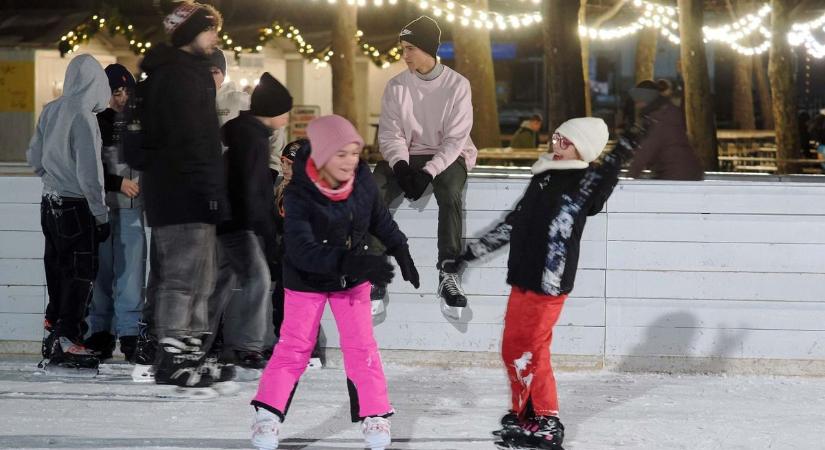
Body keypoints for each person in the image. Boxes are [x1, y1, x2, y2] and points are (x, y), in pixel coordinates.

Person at [459, 117, 647, 450]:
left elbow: (610, 168)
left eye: (565, 141)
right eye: (556, 138)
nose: (556, 146)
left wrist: (630, 140)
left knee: (531, 350)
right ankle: (524, 414)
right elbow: (512, 224)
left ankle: (547, 419)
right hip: (522, 277)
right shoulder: (542, 178)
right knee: (513, 350)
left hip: (549, 281)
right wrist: (470, 253)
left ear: (582, 148)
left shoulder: (585, 181)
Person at [250, 115, 420, 450]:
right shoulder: (299, 191)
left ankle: (375, 414)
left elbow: (378, 216)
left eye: (355, 153)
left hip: (350, 278)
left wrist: (400, 248)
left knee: (361, 347)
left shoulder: (361, 177)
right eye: (341, 154)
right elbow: (301, 249)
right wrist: (351, 261)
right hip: (306, 278)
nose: (350, 161)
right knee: (294, 347)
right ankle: (267, 418)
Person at [139, 1, 228, 388]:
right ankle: (173, 355)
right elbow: (185, 142)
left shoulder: (189, 74)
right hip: (179, 193)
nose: (215, 38)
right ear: (190, 32)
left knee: (201, 278)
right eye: (209, 30)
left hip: (193, 190)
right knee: (181, 277)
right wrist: (203, 186)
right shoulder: (173, 77)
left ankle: (190, 349)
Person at [373, 15, 476, 319]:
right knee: (373, 188)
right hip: (406, 155)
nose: (404, 55)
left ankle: (448, 273)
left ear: (429, 48)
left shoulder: (457, 85)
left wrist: (429, 173)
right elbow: (390, 132)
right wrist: (402, 168)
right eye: (402, 48)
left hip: (449, 155)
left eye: (409, 48)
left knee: (450, 193)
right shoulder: (396, 86)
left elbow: (456, 138)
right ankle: (375, 274)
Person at [26, 54, 111, 370]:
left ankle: (54, 330)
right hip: (76, 206)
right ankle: (67, 339)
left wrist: (52, 177)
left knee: (58, 269)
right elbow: (91, 175)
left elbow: (34, 155)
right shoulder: (84, 118)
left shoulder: (51, 109)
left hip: (50, 204)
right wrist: (100, 215)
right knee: (81, 274)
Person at [204, 72, 292, 370]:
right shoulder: (253, 139)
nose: (287, 119)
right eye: (285, 112)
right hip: (239, 223)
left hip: (226, 220)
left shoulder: (244, 134)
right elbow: (254, 190)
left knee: (220, 283)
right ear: (273, 111)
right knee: (258, 279)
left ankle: (198, 338)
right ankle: (247, 346)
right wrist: (267, 233)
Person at [84, 64, 146, 362]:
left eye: (126, 92)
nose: (122, 98)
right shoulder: (96, 122)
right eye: (116, 92)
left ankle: (131, 333)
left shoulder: (143, 123)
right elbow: (89, 167)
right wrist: (117, 183)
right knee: (102, 272)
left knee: (132, 274)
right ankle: (101, 330)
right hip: (103, 208)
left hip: (133, 211)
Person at [626, 79, 704, 181]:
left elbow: (647, 150)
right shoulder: (662, 113)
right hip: (680, 172)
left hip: (678, 176)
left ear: (647, 99)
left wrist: (629, 177)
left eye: (639, 101)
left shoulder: (660, 119)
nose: (637, 105)